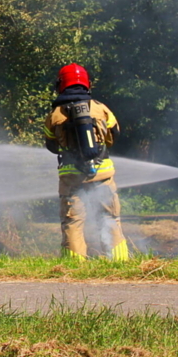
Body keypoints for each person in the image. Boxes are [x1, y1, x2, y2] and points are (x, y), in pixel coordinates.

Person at [43, 63, 128, 261]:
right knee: (109, 218)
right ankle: (119, 263)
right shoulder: (101, 109)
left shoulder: (54, 115)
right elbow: (113, 137)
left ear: (60, 84)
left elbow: (52, 146)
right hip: (102, 174)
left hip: (71, 177)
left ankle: (74, 266)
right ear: (86, 83)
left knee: (72, 222)